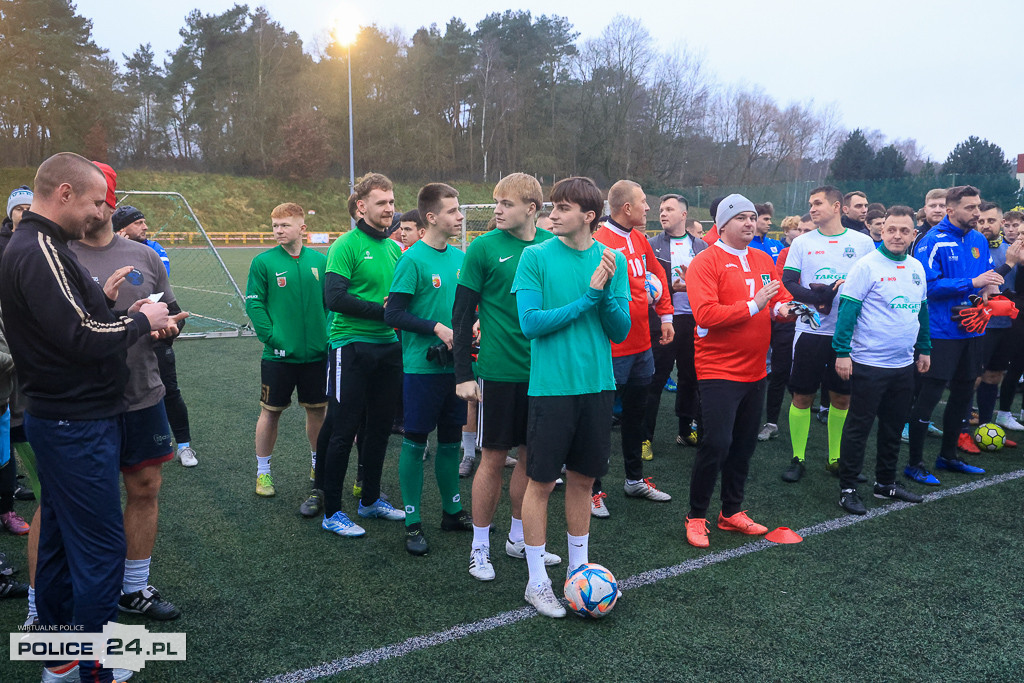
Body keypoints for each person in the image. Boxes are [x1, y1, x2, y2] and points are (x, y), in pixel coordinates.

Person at [0, 153, 171, 683]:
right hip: (76, 421)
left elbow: (71, 323)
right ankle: (95, 663)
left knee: (55, 541)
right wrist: (141, 321)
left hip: (63, 417)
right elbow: (80, 339)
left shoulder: (37, 246)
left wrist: (106, 302)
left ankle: (58, 658)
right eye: (98, 201)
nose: (103, 212)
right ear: (66, 193)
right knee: (99, 547)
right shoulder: (41, 248)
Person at [71, 162, 189, 624]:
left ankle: (133, 588)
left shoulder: (143, 255)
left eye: (99, 198)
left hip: (142, 392)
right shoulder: (57, 254)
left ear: (109, 201)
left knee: (145, 487)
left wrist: (167, 329)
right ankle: (50, 611)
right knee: (68, 505)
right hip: (82, 402)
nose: (92, 206)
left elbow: (174, 314)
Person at [511, 176, 629, 618]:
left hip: (598, 387)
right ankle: (536, 580)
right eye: (551, 208)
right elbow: (532, 323)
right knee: (541, 483)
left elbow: (620, 330)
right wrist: (589, 296)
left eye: (561, 208)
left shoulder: (610, 258)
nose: (551, 215)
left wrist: (603, 296)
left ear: (589, 216)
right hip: (552, 389)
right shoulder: (534, 257)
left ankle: (578, 573)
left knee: (582, 480)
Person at [452, 172, 559, 581]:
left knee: (532, 461)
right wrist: (464, 373)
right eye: (495, 201)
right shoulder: (481, 248)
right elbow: (461, 317)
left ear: (532, 209)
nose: (496, 209)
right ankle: (480, 548)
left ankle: (518, 537)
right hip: (498, 373)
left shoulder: (552, 249)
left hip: (545, 375)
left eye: (506, 203)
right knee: (493, 458)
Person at [684, 194, 793, 548]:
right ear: (723, 223)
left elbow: (777, 300)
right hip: (718, 369)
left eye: (753, 216)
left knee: (744, 445)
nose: (749, 222)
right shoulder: (705, 261)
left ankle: (731, 511)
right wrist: (754, 304)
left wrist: (788, 309)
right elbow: (705, 315)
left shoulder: (763, 258)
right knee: (716, 444)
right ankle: (696, 515)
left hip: (756, 369)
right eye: (742, 218)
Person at [383, 183, 472, 555]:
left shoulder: (460, 258)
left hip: (457, 368)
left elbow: (466, 307)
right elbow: (393, 313)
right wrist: (435, 328)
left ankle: (452, 510)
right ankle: (412, 520)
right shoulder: (412, 259)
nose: (460, 217)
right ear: (431, 217)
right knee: (417, 441)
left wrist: (474, 322)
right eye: (453, 211)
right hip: (421, 369)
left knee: (451, 441)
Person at [320, 173, 406, 538]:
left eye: (391, 202)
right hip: (350, 346)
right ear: (361, 206)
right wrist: (382, 311)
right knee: (344, 429)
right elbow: (333, 298)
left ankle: (370, 500)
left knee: (379, 429)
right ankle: (332, 512)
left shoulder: (394, 248)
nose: (389, 209)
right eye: (382, 202)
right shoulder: (346, 245)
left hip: (388, 348)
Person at [833, 206, 930, 514]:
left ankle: (885, 484)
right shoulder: (867, 266)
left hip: (903, 365)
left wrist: (924, 348)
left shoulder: (916, 267)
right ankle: (847, 487)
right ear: (881, 231)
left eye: (904, 230)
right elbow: (847, 311)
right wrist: (841, 352)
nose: (897, 235)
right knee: (858, 428)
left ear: (913, 234)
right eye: (891, 230)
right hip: (868, 364)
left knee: (892, 428)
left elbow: (922, 311)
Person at [780, 186, 875, 482]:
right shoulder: (802, 242)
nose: (812, 208)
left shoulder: (862, 243)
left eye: (818, 203)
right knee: (802, 396)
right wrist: (815, 297)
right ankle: (798, 458)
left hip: (846, 335)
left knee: (842, 398)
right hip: (809, 330)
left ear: (837, 206)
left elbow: (872, 283)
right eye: (810, 203)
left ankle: (836, 458)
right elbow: (789, 281)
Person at [906, 185, 1001, 484]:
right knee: (930, 395)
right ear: (951, 210)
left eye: (978, 207)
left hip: (973, 329)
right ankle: (914, 463)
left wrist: (988, 295)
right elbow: (928, 287)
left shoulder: (977, 240)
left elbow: (984, 280)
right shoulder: (931, 241)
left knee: (963, 393)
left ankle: (948, 456)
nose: (977, 213)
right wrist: (972, 281)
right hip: (941, 332)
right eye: (970, 208)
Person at [591, 180, 673, 517]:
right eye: (643, 202)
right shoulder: (599, 242)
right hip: (612, 348)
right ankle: (592, 489)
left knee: (636, 415)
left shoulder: (640, 239)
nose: (648, 207)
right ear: (627, 208)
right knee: (599, 418)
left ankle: (634, 479)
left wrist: (665, 316)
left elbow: (658, 277)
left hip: (643, 345)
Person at [245, 203, 328, 501]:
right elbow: (254, 303)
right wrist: (272, 336)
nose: (278, 231)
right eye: (275, 226)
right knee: (270, 412)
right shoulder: (263, 262)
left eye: (284, 225)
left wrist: (327, 335)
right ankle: (263, 471)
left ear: (302, 228)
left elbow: (330, 303)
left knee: (318, 411)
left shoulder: (320, 260)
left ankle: (318, 466)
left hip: (317, 355)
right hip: (278, 356)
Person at [112, 205, 197, 467]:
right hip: (115, 338)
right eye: (138, 223)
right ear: (122, 228)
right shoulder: (97, 252)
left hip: (153, 336)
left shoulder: (153, 250)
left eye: (144, 222)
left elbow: (160, 281)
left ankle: (184, 446)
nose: (145, 227)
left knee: (169, 390)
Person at [645, 193, 706, 457]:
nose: (662, 213)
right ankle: (644, 438)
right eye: (660, 209)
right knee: (655, 379)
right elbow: (645, 285)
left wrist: (693, 286)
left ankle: (685, 430)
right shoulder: (651, 245)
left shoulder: (702, 247)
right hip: (663, 321)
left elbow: (710, 284)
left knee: (690, 377)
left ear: (684, 214)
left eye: (669, 209)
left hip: (694, 321)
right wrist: (672, 287)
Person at [759, 214, 815, 441]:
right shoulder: (785, 253)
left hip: (818, 324)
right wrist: (816, 296)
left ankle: (817, 410)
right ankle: (771, 422)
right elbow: (786, 288)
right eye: (799, 230)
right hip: (788, 320)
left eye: (807, 231)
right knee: (779, 371)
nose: (801, 235)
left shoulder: (827, 253)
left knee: (810, 372)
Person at [973, 202, 1023, 431]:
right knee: (973, 377)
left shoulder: (1009, 248)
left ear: (1000, 223)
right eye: (981, 221)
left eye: (990, 221)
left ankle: (985, 424)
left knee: (994, 375)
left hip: (1006, 324)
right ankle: (962, 426)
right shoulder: (972, 247)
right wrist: (1010, 263)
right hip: (979, 323)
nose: (985, 225)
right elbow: (980, 283)